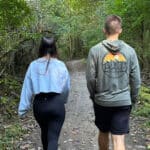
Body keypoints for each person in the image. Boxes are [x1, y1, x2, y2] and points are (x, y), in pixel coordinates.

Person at [86, 15, 141, 150]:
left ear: (104, 30)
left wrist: (94, 95)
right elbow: (136, 80)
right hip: (123, 101)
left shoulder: (95, 51)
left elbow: (90, 78)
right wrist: (133, 99)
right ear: (120, 30)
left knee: (103, 132)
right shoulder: (130, 51)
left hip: (102, 101)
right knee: (118, 139)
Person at [18, 37, 70, 150]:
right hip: (56, 103)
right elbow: (66, 88)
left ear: (41, 48)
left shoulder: (33, 65)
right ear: (54, 48)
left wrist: (23, 109)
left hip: (40, 105)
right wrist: (63, 100)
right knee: (53, 138)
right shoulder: (60, 65)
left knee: (45, 133)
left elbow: (27, 88)